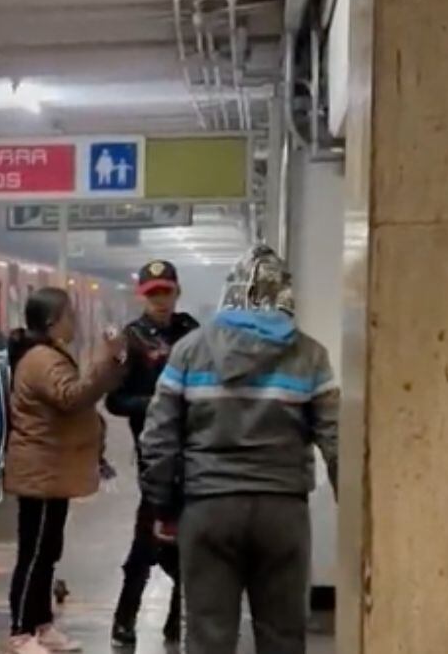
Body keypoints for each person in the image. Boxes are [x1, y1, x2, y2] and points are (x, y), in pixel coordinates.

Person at [139, 245, 339, 654]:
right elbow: (337, 440)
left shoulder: (190, 350)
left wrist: (162, 506)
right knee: (283, 636)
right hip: (283, 512)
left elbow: (158, 437)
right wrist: (354, 513)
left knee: (209, 634)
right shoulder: (310, 355)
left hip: (209, 508)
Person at [3, 288, 126, 654]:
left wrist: (111, 364)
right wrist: (105, 359)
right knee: (35, 552)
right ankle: (20, 631)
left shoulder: (49, 355)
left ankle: (42, 625)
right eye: (70, 315)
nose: (76, 320)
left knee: (47, 550)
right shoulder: (42, 359)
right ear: (52, 322)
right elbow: (72, 397)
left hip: (51, 470)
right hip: (39, 471)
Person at [105, 260, 199, 647]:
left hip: (194, 451)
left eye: (166, 292)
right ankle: (125, 618)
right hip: (154, 454)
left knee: (190, 541)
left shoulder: (193, 334)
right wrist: (159, 403)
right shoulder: (132, 339)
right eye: (153, 294)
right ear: (142, 296)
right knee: (146, 539)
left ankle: (178, 619)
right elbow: (115, 401)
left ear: (177, 292)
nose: (160, 300)